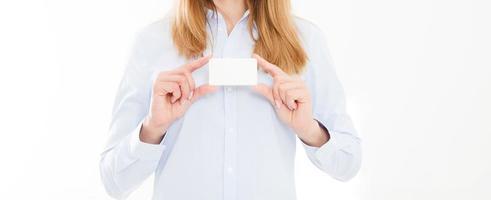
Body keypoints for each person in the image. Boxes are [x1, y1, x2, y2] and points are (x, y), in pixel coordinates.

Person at [100, 0, 362, 199]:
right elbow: (114, 181)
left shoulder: (305, 40)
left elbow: (348, 163)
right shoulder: (153, 42)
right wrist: (152, 128)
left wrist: (309, 130)